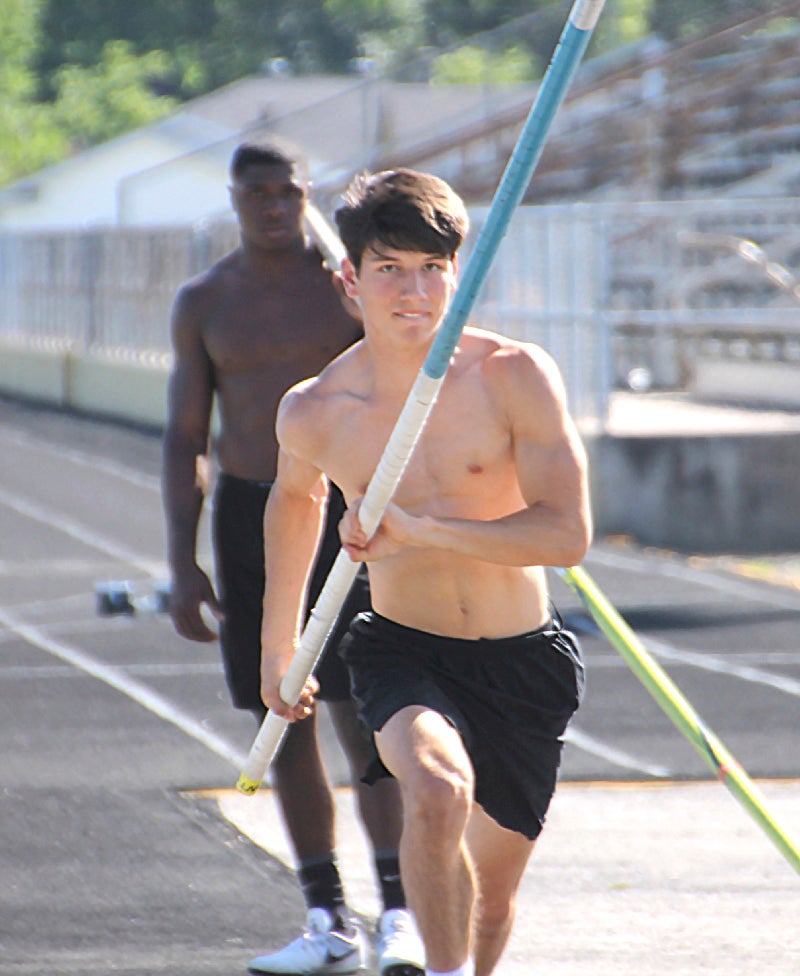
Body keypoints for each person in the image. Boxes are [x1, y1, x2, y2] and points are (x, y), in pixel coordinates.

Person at [259, 168, 592, 976]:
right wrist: (280, 650)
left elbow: (567, 534)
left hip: (524, 658)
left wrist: (425, 530)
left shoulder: (515, 374)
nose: (415, 291)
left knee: (493, 901)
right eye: (389, 269)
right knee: (436, 793)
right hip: (403, 649)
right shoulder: (316, 409)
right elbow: (295, 506)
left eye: (434, 269)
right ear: (351, 279)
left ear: (460, 271)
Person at [162, 142, 424, 976]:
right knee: (284, 714)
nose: (274, 206)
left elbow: (409, 385)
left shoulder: (349, 287)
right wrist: (181, 561)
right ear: (235, 200)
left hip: (349, 511)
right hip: (248, 515)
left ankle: (401, 914)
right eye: (258, 193)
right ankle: (326, 916)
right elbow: (185, 438)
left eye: (289, 191)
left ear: (306, 194)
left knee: (366, 712)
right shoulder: (206, 301)